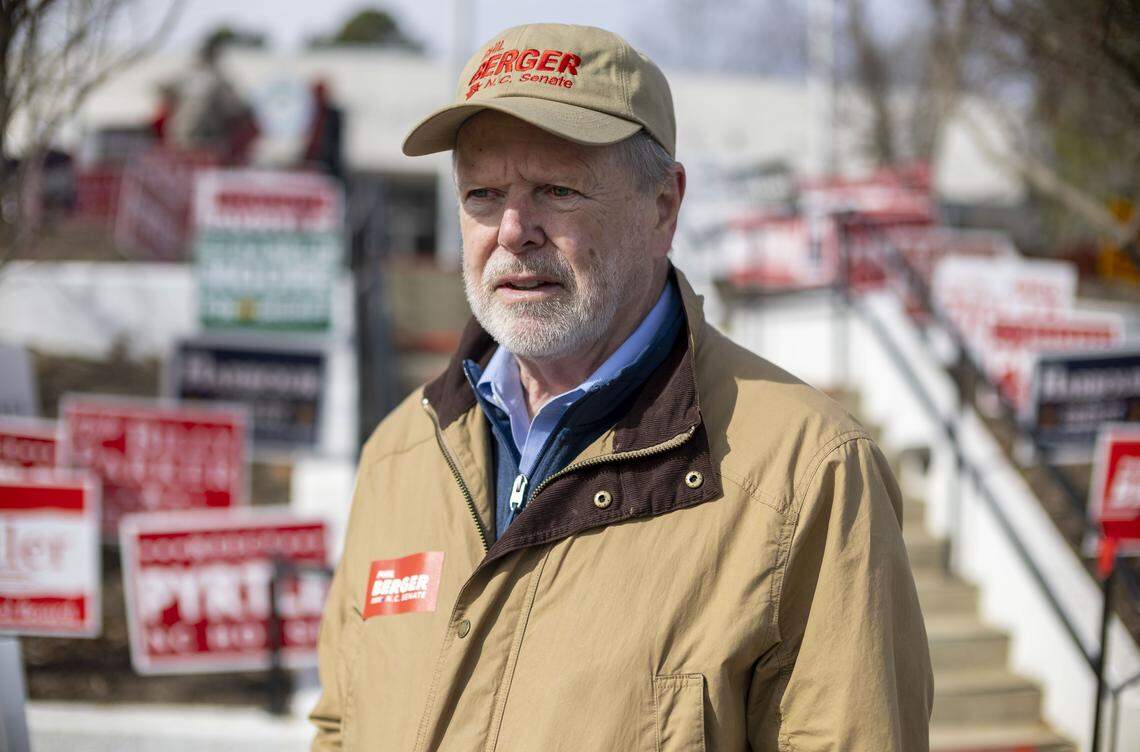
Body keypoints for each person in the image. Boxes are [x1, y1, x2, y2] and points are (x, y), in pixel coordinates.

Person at [311, 23, 933, 751]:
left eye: (557, 189)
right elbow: (339, 727)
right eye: (482, 192)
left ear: (664, 205)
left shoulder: (808, 474)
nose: (513, 229)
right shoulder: (399, 454)